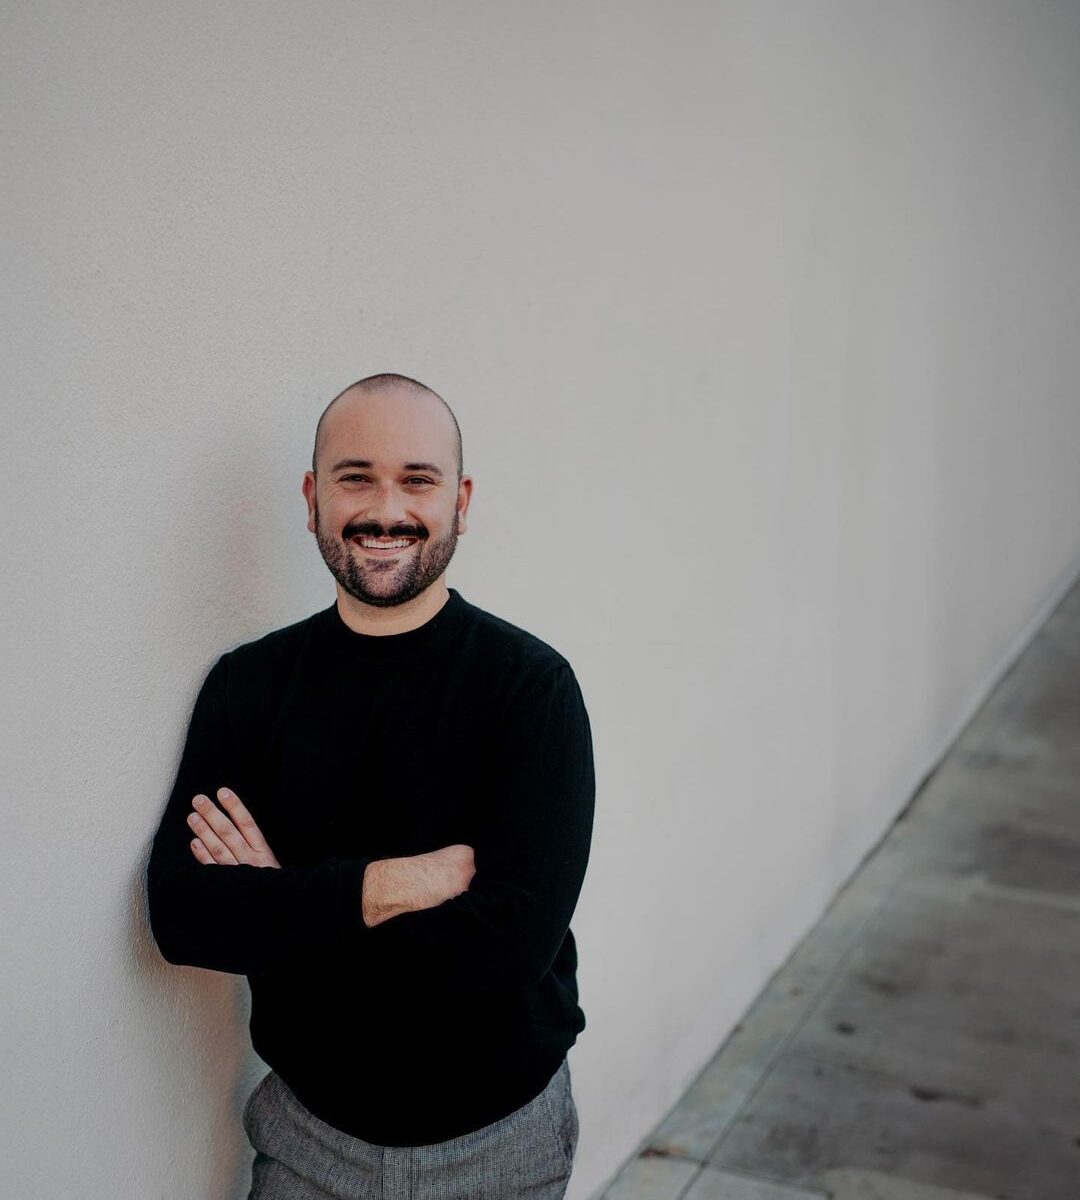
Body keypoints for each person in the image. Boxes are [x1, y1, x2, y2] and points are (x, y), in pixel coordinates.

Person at [146, 373, 595, 1200]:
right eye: (356, 477)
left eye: (416, 479)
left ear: (459, 499)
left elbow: (506, 953)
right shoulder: (249, 685)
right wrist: (394, 884)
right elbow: (182, 918)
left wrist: (280, 905)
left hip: (498, 1151)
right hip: (306, 1146)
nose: (385, 509)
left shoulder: (530, 688)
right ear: (314, 496)